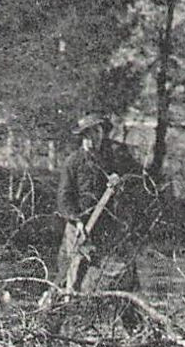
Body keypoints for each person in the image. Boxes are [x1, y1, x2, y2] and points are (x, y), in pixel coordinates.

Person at [55, 113, 145, 295]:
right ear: (83, 136)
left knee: (122, 267)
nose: (94, 137)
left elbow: (137, 178)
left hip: (107, 225)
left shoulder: (114, 159)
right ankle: (64, 307)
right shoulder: (72, 162)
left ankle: (132, 315)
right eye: (89, 133)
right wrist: (77, 221)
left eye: (98, 131)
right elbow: (64, 199)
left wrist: (121, 181)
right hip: (79, 226)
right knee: (72, 271)